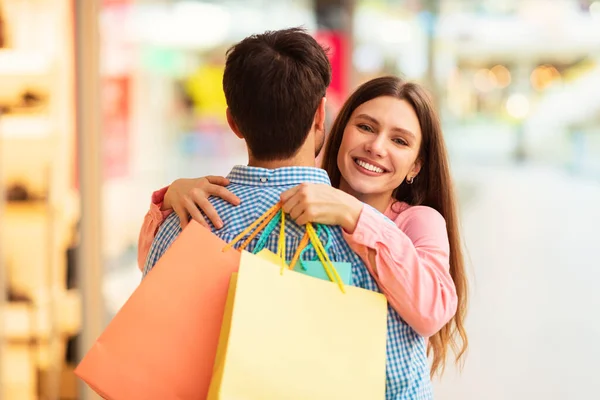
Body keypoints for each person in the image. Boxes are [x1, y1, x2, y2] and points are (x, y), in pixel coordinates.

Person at [142, 28, 435, 398]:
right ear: (319, 116)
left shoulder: (180, 221)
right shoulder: (372, 247)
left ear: (233, 122)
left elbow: (153, 352)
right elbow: (400, 384)